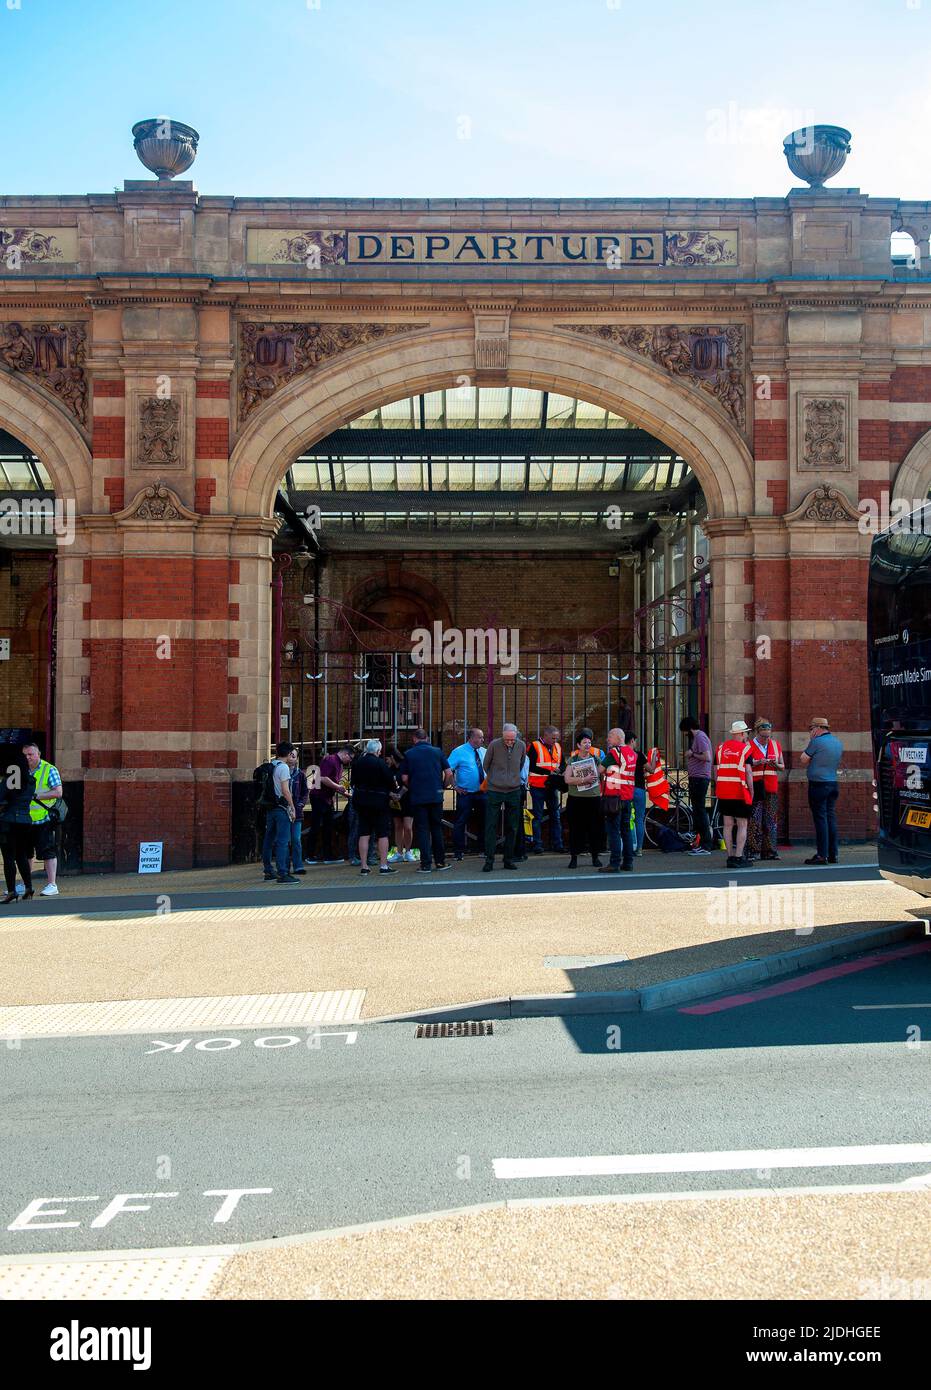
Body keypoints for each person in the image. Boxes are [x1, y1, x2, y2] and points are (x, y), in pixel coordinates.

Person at [400, 729, 452, 872]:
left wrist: (413, 787)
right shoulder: (437, 752)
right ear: (427, 738)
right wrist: (442, 787)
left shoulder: (409, 754)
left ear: (414, 739)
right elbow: (448, 773)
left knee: (422, 830)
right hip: (436, 796)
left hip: (418, 797)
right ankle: (440, 862)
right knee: (436, 828)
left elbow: (404, 778)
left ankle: (425, 864)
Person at [481, 723, 526, 872]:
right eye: (507, 739)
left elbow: (520, 764)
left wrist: (512, 778)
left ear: (516, 736)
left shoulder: (521, 745)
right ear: (502, 736)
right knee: (491, 826)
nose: (509, 742)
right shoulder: (494, 745)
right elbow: (486, 765)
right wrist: (496, 778)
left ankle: (508, 859)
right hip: (495, 789)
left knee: (512, 827)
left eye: (512, 740)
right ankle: (489, 860)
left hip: (513, 790)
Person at [800, 716, 843, 865]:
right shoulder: (837, 742)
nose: (810, 732)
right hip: (833, 783)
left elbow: (803, 759)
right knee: (830, 818)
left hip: (818, 785)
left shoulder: (816, 742)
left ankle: (821, 855)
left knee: (820, 820)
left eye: (811, 729)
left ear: (817, 728)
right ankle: (833, 854)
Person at [350, 739, 397, 875]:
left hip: (361, 802)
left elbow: (353, 782)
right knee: (382, 834)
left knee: (364, 833)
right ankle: (383, 866)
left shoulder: (357, 763)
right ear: (377, 751)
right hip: (379, 802)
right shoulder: (380, 763)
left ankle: (364, 866)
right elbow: (390, 781)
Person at [23, 741, 63, 896]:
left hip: (43, 819)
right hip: (24, 820)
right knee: (25, 853)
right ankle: (26, 884)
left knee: (47, 852)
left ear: (38, 754)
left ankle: (52, 884)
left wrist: (36, 796)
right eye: (25, 755)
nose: (28, 758)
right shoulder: (21, 771)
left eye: (31, 754)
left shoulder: (49, 770)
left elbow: (58, 792)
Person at [714, 720, 754, 869]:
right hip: (740, 791)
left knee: (728, 825)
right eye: (746, 733)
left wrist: (719, 785)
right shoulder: (745, 750)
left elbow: (716, 770)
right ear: (742, 734)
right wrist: (752, 791)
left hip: (724, 791)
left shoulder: (720, 748)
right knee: (742, 824)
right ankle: (738, 857)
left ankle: (730, 857)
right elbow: (749, 772)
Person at [745, 718, 785, 862]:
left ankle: (770, 851)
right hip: (755, 786)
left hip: (771, 787)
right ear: (757, 733)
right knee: (755, 820)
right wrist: (756, 762)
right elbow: (745, 765)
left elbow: (782, 766)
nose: (766, 739)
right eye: (763, 736)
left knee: (771, 820)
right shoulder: (748, 746)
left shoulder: (775, 745)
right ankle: (753, 851)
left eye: (768, 736)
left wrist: (775, 764)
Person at [564, 728, 604, 869]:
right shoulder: (573, 759)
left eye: (589, 742)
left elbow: (602, 772)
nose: (587, 745)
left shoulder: (595, 758)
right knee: (576, 829)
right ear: (578, 745)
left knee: (594, 828)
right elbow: (567, 779)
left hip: (593, 799)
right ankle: (574, 858)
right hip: (576, 799)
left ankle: (595, 857)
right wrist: (583, 779)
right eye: (584, 742)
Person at [0, 747, 36, 902]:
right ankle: (28, 887)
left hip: (8, 822)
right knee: (21, 855)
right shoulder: (31, 781)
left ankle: (11, 891)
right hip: (25, 821)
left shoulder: (8, 780)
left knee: (8, 857)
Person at [260, 740, 299, 884]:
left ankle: (268, 871)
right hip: (281, 808)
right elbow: (285, 790)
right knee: (283, 841)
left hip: (270, 807)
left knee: (268, 840)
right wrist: (292, 807)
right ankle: (283, 873)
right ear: (289, 754)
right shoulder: (283, 768)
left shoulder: (272, 765)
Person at [306, 745, 351, 864]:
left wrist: (344, 794)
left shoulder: (339, 765)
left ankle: (327, 855)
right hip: (318, 797)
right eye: (350, 758)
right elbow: (323, 778)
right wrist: (338, 788)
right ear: (346, 754)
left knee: (328, 827)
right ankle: (309, 854)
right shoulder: (330, 760)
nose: (350, 761)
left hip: (326, 798)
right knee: (316, 826)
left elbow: (332, 783)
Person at [447, 727, 486, 861]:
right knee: (460, 822)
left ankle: (483, 849)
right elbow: (448, 770)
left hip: (482, 792)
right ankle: (459, 851)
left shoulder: (484, 752)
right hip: (466, 793)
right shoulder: (459, 752)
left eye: (482, 737)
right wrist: (455, 786)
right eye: (480, 737)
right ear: (471, 738)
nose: (482, 740)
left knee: (484, 821)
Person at [600, 728, 636, 872]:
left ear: (618, 737)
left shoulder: (615, 753)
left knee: (614, 831)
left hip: (615, 797)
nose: (608, 739)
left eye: (610, 736)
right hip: (627, 797)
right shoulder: (631, 753)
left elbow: (600, 769)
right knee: (626, 830)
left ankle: (614, 863)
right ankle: (628, 862)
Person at [527, 726, 564, 855]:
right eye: (553, 738)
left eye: (556, 738)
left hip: (552, 786)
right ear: (545, 735)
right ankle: (537, 845)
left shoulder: (557, 747)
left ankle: (558, 844)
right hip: (538, 786)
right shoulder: (534, 746)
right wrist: (550, 771)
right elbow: (530, 766)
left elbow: (562, 763)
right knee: (537, 816)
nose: (555, 740)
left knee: (556, 816)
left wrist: (561, 770)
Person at [680, 716, 714, 856]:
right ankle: (700, 841)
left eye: (684, 731)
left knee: (699, 811)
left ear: (688, 728)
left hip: (699, 779)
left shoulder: (700, 737)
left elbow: (707, 757)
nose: (684, 734)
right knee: (697, 810)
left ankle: (706, 844)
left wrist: (692, 754)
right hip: (697, 778)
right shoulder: (699, 737)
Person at [385, 745, 416, 863]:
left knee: (408, 827)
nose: (386, 761)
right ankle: (399, 852)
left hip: (407, 799)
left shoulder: (405, 766)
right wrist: (392, 794)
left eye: (387, 758)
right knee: (398, 826)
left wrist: (400, 794)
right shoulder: (390, 769)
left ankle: (408, 851)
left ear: (392, 757)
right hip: (395, 801)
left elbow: (409, 782)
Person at [627, 734, 656, 857]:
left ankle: (628, 847)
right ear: (632, 740)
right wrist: (654, 756)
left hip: (626, 789)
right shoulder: (639, 755)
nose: (636, 744)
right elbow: (651, 769)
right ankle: (639, 849)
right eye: (635, 741)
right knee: (639, 819)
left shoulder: (621, 755)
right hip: (638, 789)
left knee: (627, 819)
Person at [286, 748, 310, 875]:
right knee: (284, 840)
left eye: (294, 756)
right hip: (284, 811)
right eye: (290, 755)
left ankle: (298, 866)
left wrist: (300, 804)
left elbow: (305, 791)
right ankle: (284, 867)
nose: (291, 758)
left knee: (296, 839)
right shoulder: (280, 772)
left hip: (297, 812)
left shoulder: (300, 774)